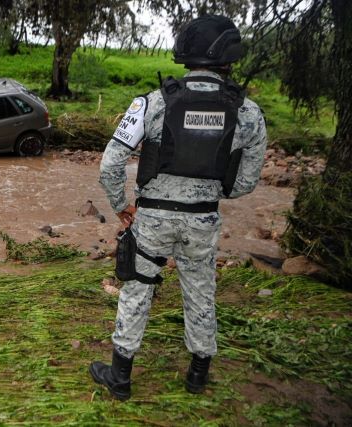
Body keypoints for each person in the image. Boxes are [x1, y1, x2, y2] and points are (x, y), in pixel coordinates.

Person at [89, 15, 268, 401]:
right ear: (228, 56)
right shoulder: (248, 112)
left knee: (136, 289)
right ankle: (197, 376)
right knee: (201, 291)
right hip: (203, 219)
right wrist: (211, 194)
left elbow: (110, 164)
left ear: (187, 52)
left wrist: (121, 206)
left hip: (152, 217)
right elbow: (245, 183)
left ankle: (120, 376)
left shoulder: (152, 102)